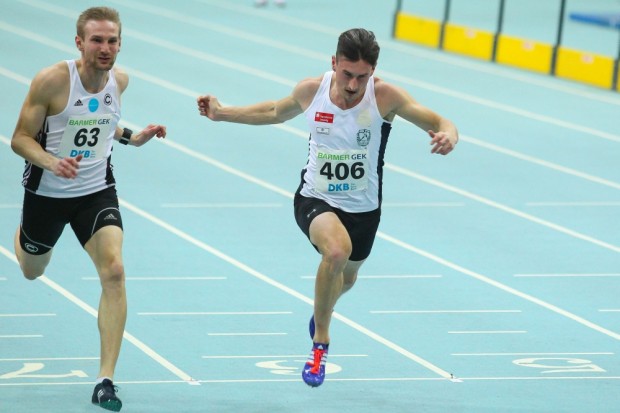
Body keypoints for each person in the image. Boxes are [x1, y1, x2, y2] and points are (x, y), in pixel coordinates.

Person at [196, 28, 458, 388]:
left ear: (373, 72)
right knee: (335, 252)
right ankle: (321, 342)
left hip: (364, 209)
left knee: (347, 278)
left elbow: (439, 121)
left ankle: (322, 309)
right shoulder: (312, 90)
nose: (353, 85)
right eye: (347, 74)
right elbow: (273, 110)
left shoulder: (385, 97)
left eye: (362, 77)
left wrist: (449, 134)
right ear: (333, 63)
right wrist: (222, 113)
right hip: (315, 198)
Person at [10, 6, 166, 412]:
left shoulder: (120, 81)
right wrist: (50, 162)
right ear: (79, 42)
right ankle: (23, 236)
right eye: (97, 40)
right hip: (47, 194)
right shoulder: (52, 81)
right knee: (32, 270)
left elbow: (105, 120)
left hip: (96, 191)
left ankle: (105, 380)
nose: (105, 48)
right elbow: (20, 138)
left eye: (112, 40)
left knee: (114, 269)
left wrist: (134, 136)